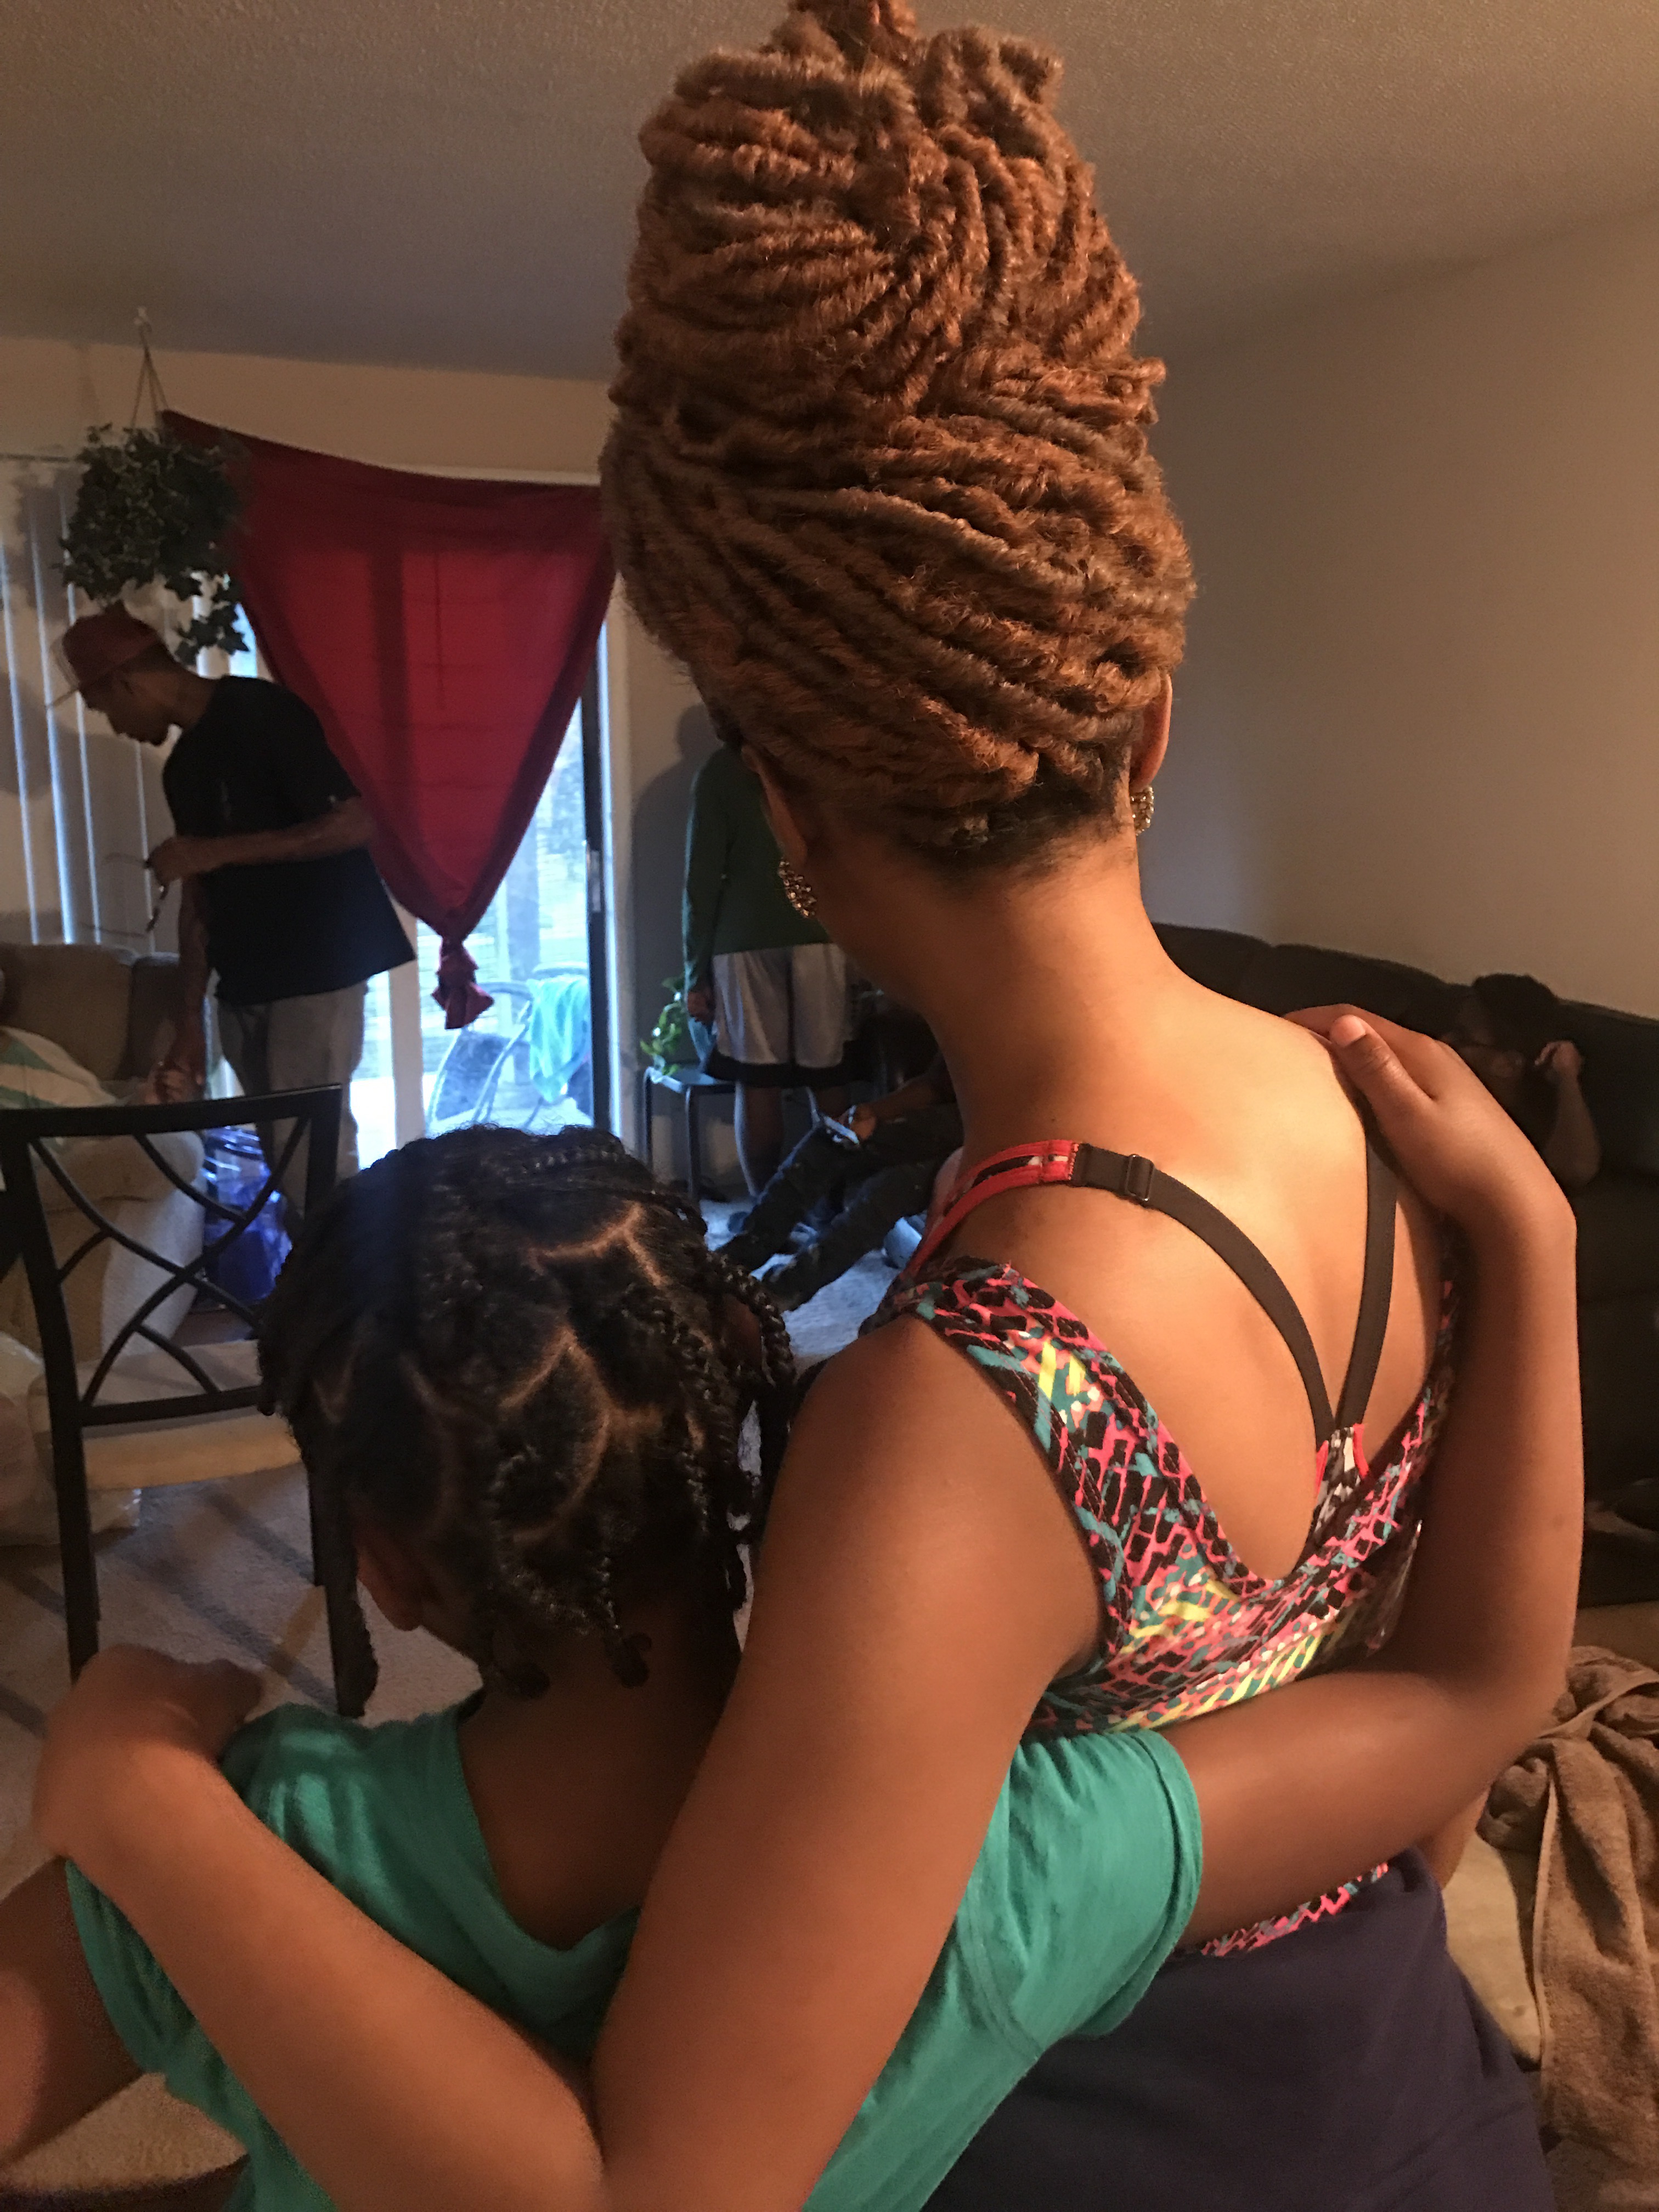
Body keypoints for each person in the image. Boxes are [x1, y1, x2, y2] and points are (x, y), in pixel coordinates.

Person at [27, 7, 1582, 2208]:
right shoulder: (1392, 1133)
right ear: (1147, 717)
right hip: (1418, 2099)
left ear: (795, 825)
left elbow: (664, 2184)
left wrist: (142, 1802)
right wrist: (1538, 1243)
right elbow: (1459, 1703)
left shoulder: (969, 1414)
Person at [59, 608, 413, 1203]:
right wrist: (188, 1025)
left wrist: (213, 851)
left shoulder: (261, 712)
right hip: (244, 982)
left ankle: (354, 1265)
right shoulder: (182, 770)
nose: (116, 727)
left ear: (126, 683)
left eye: (105, 709)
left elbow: (353, 825)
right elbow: (199, 898)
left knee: (311, 1163)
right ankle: (323, 1263)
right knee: (284, 1159)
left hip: (317, 967)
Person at [683, 724, 859, 1192]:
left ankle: (764, 1208)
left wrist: (695, 972)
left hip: (745, 940)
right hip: (823, 930)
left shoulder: (720, 772)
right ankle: (835, 1204)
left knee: (758, 1080)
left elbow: (702, 880)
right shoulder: (820, 760)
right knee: (828, 1076)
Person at [721, 1053, 962, 1308]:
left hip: (984, 1139)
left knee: (893, 1188)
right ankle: (733, 1259)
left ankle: (773, 1296)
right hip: (957, 1118)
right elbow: (937, 1084)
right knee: (833, 1138)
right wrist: (871, 1112)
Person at [1442, 973, 1602, 1191]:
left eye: (1462, 1037)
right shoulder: (1436, 1084)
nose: (1444, 1041)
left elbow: (1576, 1170)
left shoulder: (1526, 1129)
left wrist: (1567, 1077)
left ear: (1508, 1065)